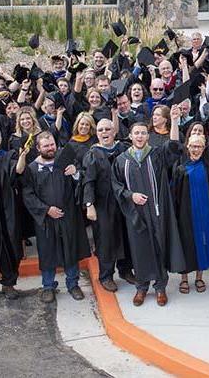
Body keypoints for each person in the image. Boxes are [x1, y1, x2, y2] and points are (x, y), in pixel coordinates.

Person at [111, 108, 185, 307]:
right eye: (137, 133)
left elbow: (173, 147)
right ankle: (142, 287)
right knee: (138, 249)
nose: (140, 136)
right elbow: (116, 186)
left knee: (159, 246)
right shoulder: (121, 161)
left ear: (148, 136)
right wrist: (130, 195)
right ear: (130, 135)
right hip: (134, 213)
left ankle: (160, 287)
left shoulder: (156, 155)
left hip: (156, 210)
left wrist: (175, 122)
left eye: (144, 133)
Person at [22, 131, 90, 303]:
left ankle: (73, 285)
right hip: (46, 219)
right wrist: (45, 210)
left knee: (70, 249)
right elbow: (28, 195)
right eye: (46, 146)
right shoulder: (32, 169)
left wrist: (76, 173)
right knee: (47, 251)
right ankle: (48, 286)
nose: (50, 148)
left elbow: (81, 181)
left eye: (52, 144)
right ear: (38, 148)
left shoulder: (65, 161)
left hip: (68, 215)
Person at [82, 117, 135, 292]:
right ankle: (106, 275)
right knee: (106, 239)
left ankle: (126, 270)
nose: (104, 133)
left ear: (114, 131)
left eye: (107, 129)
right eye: (101, 130)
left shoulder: (124, 149)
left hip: (124, 201)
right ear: (96, 133)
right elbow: (88, 181)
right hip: (103, 204)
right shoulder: (92, 154)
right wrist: (89, 204)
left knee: (127, 236)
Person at [172, 134, 209, 294]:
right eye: (193, 146)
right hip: (186, 214)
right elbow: (175, 194)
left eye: (199, 146)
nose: (196, 149)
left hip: (206, 213)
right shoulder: (180, 169)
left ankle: (199, 277)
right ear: (187, 148)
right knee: (186, 244)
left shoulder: (208, 167)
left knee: (204, 243)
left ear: (203, 149)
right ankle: (184, 279)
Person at [0, 127, 26, 299]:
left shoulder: (7, 157)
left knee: (10, 246)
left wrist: (22, 157)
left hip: (7, 210)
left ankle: (9, 284)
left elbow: (18, 171)